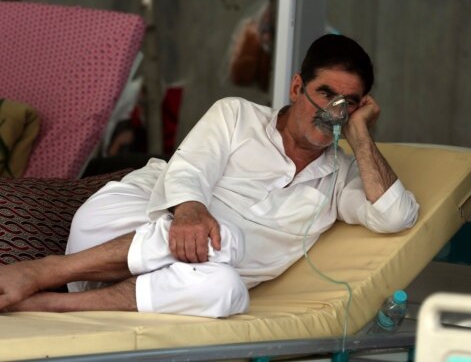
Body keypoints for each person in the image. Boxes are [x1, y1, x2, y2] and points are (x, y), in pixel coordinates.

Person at [0, 34, 419, 317]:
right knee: (224, 236)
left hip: (172, 285)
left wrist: (360, 136)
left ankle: (47, 306)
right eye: (326, 94)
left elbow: (396, 215)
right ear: (296, 88)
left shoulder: (340, 177)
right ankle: (44, 271)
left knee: (226, 290)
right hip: (119, 227)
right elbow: (190, 170)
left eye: (348, 103)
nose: (333, 112)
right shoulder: (236, 115)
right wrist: (190, 212)